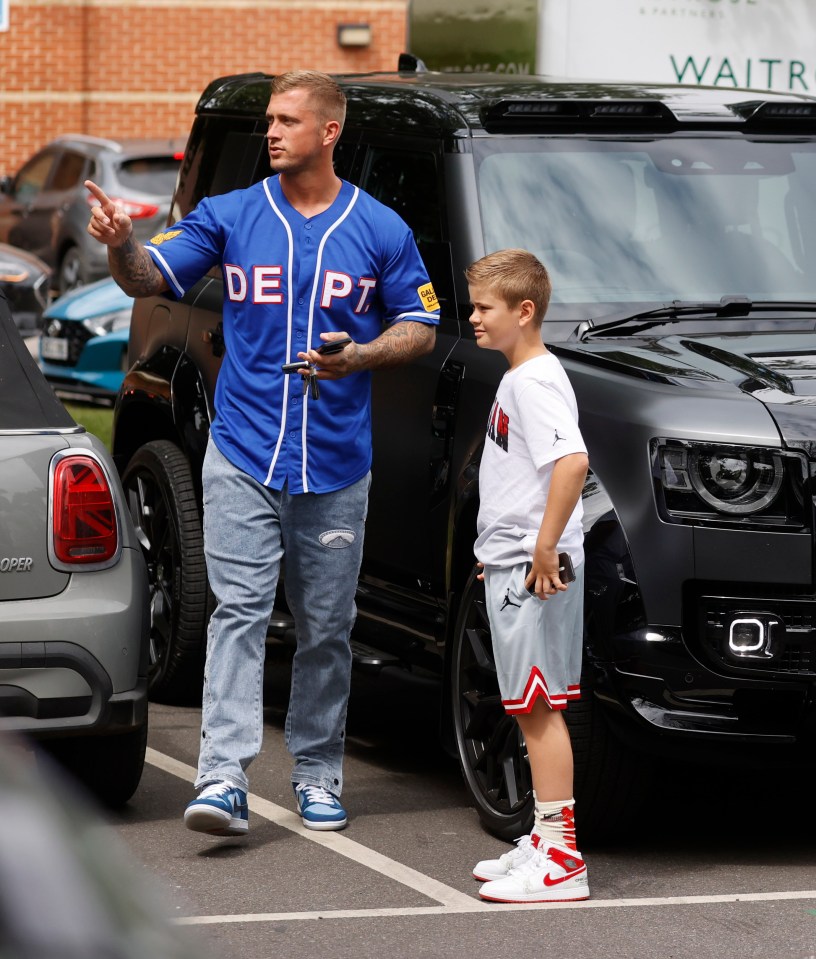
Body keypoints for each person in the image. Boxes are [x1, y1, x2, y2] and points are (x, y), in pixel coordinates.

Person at [85, 70, 439, 835]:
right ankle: (222, 777)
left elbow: (422, 324)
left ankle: (317, 771)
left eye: (286, 120)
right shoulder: (230, 213)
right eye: (270, 119)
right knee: (238, 611)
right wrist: (121, 246)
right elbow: (149, 276)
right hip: (242, 450)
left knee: (326, 627)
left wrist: (364, 354)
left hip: (337, 463)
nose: (271, 131)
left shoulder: (380, 226)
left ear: (329, 132)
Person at [465, 249, 590, 903]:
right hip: (516, 560)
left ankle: (562, 856)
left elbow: (572, 462)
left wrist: (541, 548)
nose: (474, 317)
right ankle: (544, 838)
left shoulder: (533, 381)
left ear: (524, 311)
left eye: (486, 307)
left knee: (538, 710)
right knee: (530, 706)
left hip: (533, 569)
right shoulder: (523, 376)